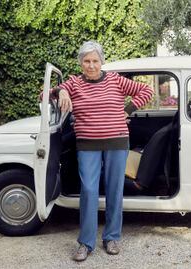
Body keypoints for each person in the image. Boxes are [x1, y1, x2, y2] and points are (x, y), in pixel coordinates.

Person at [51, 41, 153, 261]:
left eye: (95, 61)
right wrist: (61, 92)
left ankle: (112, 237)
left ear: (101, 62)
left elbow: (147, 90)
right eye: (86, 61)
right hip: (88, 145)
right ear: (80, 63)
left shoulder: (115, 80)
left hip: (117, 142)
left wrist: (127, 110)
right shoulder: (74, 84)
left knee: (114, 189)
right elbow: (46, 95)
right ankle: (86, 243)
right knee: (88, 190)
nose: (91, 65)